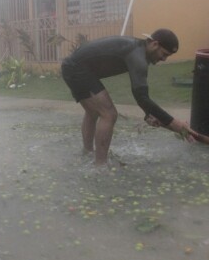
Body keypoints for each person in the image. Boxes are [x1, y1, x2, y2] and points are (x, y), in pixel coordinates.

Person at [61, 28, 193, 168]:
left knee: (94, 112)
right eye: (164, 54)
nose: (164, 59)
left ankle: (88, 153)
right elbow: (142, 97)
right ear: (154, 44)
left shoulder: (138, 50)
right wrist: (175, 123)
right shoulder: (138, 56)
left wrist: (149, 114)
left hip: (73, 66)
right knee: (109, 114)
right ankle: (100, 166)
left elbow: (141, 96)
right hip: (76, 68)